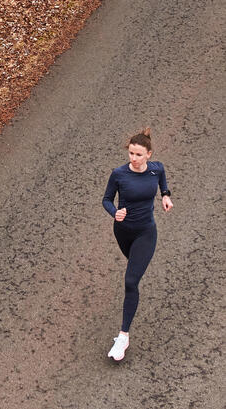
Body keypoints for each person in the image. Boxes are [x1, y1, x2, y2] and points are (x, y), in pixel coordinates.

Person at [102, 127, 173, 361]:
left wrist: (165, 195)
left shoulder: (156, 169)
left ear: (148, 155)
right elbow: (106, 199)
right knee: (132, 267)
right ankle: (123, 333)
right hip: (122, 232)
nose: (133, 158)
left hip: (145, 232)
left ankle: (123, 336)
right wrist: (115, 213)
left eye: (138, 154)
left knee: (131, 281)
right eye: (131, 153)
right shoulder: (119, 174)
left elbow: (162, 180)